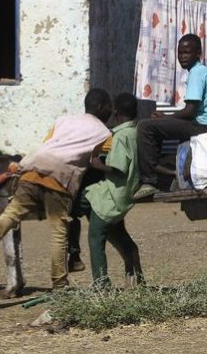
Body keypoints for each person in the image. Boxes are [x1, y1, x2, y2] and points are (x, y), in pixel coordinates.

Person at [0, 89, 113, 290]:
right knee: (59, 230)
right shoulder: (104, 133)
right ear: (102, 107)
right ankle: (59, 283)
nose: (112, 111)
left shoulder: (63, 120)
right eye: (110, 107)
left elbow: (48, 144)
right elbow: (104, 158)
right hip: (59, 179)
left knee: (10, 215)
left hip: (31, 169)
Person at [134, 33, 207, 198]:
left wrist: (165, 118)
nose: (183, 57)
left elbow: (190, 111)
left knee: (145, 127)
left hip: (202, 127)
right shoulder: (202, 72)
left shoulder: (197, 73)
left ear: (198, 54)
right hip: (203, 125)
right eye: (180, 53)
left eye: (187, 52)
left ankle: (149, 180)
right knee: (157, 126)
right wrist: (166, 117)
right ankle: (167, 173)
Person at [74, 92, 144, 287]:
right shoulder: (135, 132)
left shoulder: (121, 137)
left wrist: (96, 163)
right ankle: (136, 277)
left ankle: (101, 285)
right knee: (114, 230)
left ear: (115, 111)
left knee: (95, 235)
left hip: (114, 194)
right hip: (123, 192)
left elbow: (118, 168)